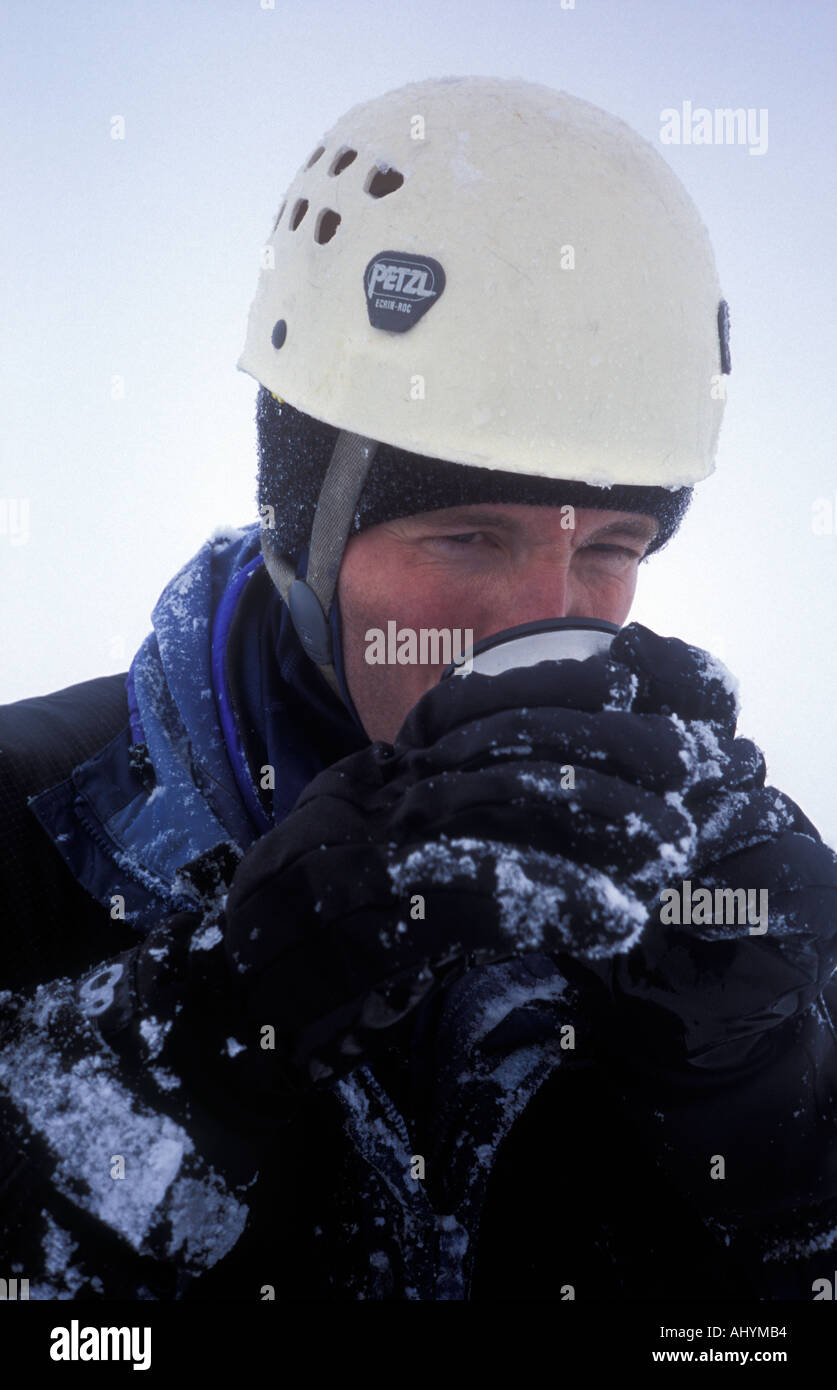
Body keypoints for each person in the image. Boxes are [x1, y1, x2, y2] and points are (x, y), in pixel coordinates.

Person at [1, 76, 835, 1303]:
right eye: (466, 537)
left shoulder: (688, 866)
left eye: (611, 546)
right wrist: (220, 1025)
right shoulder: (36, 835)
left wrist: (766, 1110)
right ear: (309, 532)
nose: (548, 615)